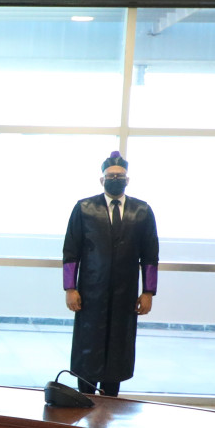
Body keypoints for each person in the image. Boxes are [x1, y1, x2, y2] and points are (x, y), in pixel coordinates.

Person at [62, 151, 158, 396]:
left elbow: (150, 255)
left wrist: (148, 292)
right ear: (102, 179)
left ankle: (111, 401)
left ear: (128, 179)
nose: (116, 179)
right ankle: (85, 398)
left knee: (118, 346)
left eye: (120, 176)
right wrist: (70, 288)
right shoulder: (84, 208)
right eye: (111, 176)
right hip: (90, 292)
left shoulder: (142, 211)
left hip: (125, 293)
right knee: (88, 344)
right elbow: (71, 252)